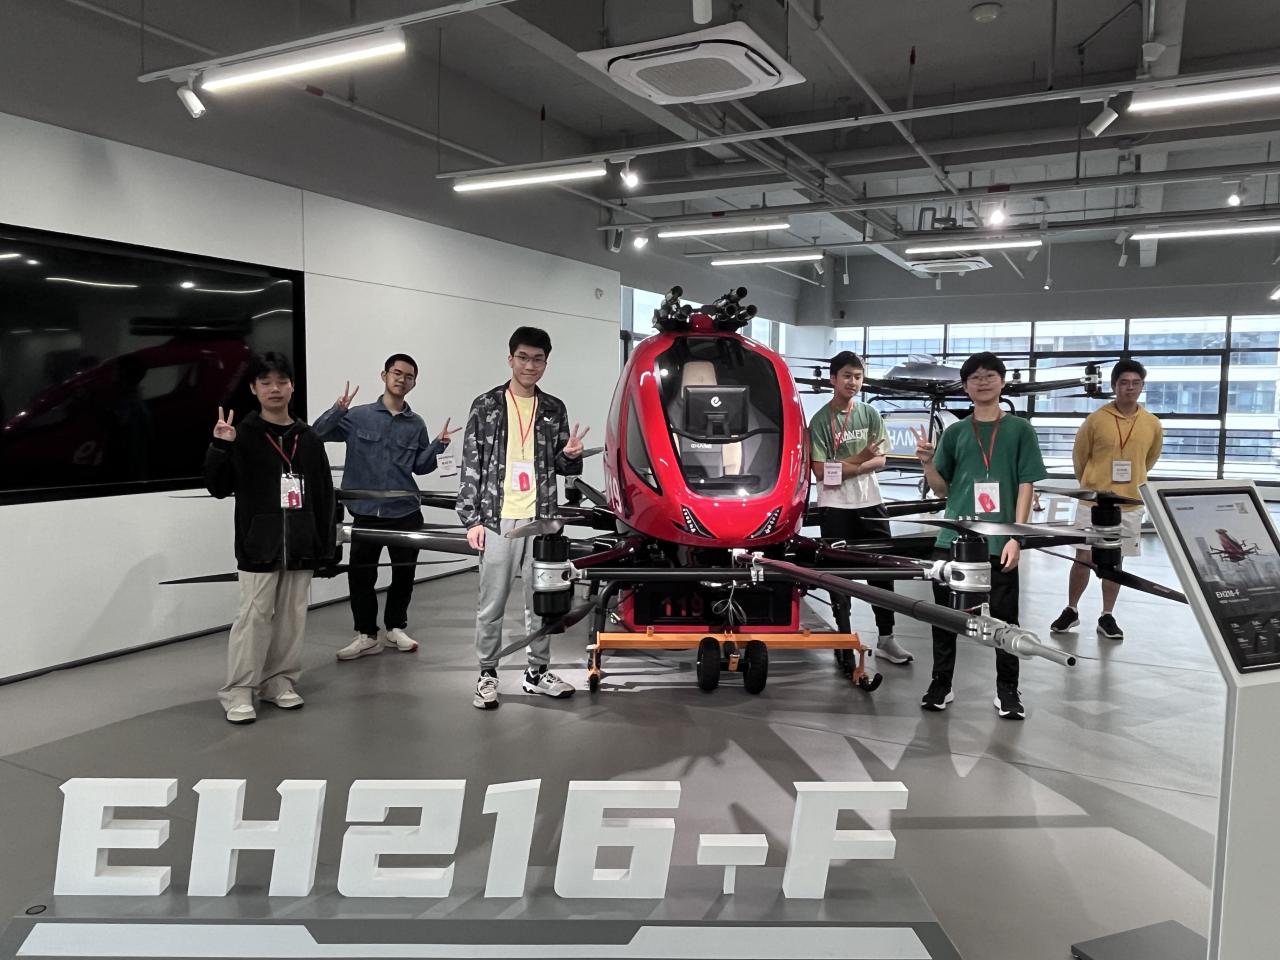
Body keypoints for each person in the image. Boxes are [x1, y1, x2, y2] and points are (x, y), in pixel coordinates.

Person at [457, 327, 588, 710]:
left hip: (542, 519)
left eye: (538, 359)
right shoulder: (486, 405)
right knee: (492, 603)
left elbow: (562, 466)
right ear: (510, 358)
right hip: (497, 519)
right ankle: (487, 673)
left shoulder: (554, 408)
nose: (530, 366)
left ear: (546, 362)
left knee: (541, 601)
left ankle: (537, 672)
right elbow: (471, 463)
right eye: (523, 357)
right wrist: (471, 519)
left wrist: (571, 455)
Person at [912, 351, 1046, 720]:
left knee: (1006, 618)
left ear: (1002, 382)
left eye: (990, 376)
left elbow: (1026, 484)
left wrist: (1017, 537)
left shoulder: (1020, 429)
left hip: (1000, 541)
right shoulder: (955, 432)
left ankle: (1008, 689)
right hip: (954, 541)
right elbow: (941, 489)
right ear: (965, 386)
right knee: (944, 616)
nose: (983, 382)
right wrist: (927, 461)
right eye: (975, 377)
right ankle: (941, 683)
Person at [204, 352, 335, 724]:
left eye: (281, 381)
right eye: (266, 382)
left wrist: (326, 548)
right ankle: (239, 690)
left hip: (301, 544)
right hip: (258, 545)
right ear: (253, 388)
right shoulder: (242, 434)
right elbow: (217, 487)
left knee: (292, 618)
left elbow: (324, 496)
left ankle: (279, 681)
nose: (274, 389)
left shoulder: (309, 439)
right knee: (253, 617)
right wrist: (220, 447)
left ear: (292, 387)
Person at [313, 354, 460, 660]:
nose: (401, 379)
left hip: (405, 512)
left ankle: (395, 628)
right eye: (397, 373)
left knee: (403, 574)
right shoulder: (358, 416)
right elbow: (318, 434)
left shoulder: (415, 423)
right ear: (384, 375)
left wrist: (439, 445)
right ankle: (367, 635)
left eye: (409, 376)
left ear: (414, 383)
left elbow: (420, 467)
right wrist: (338, 409)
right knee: (361, 576)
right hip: (365, 512)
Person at [808, 351, 912, 665]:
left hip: (871, 503)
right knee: (840, 575)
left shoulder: (869, 414)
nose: (853, 382)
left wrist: (849, 466)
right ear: (833, 379)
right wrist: (862, 459)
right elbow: (821, 472)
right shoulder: (820, 421)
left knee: (883, 571)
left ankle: (886, 638)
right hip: (835, 506)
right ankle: (843, 638)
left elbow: (881, 460)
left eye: (858, 376)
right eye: (847, 376)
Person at [1050, 359, 1163, 641]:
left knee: (1115, 561)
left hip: (1128, 503)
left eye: (1135, 383)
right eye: (1124, 383)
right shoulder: (1096, 420)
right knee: (1083, 557)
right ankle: (1071, 609)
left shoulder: (1151, 423)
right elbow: (1080, 458)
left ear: (1142, 386)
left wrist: (1130, 480)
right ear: (1114, 386)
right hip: (1093, 503)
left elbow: (1149, 459)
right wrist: (1092, 484)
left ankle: (1107, 615)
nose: (1130, 388)